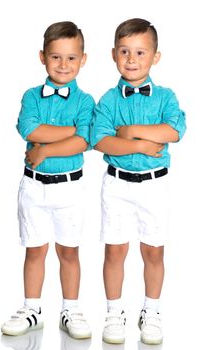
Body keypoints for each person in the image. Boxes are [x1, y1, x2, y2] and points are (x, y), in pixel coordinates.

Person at [90, 18, 186, 345]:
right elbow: (100, 140)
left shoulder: (165, 97)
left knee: (153, 251)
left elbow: (174, 131)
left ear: (155, 57)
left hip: (154, 186)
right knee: (114, 251)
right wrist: (142, 145)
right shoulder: (108, 100)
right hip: (116, 186)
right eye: (125, 51)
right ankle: (114, 312)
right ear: (114, 54)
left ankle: (152, 311)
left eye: (140, 52)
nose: (132, 59)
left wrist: (130, 132)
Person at [1, 21, 95, 340]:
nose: (63, 65)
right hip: (34, 187)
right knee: (34, 249)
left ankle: (71, 308)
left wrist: (44, 152)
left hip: (69, 188)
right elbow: (30, 130)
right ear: (43, 57)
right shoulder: (31, 95)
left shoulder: (85, 101)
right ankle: (32, 309)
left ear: (82, 59)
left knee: (69, 251)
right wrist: (72, 131)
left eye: (71, 58)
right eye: (56, 57)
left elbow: (85, 141)